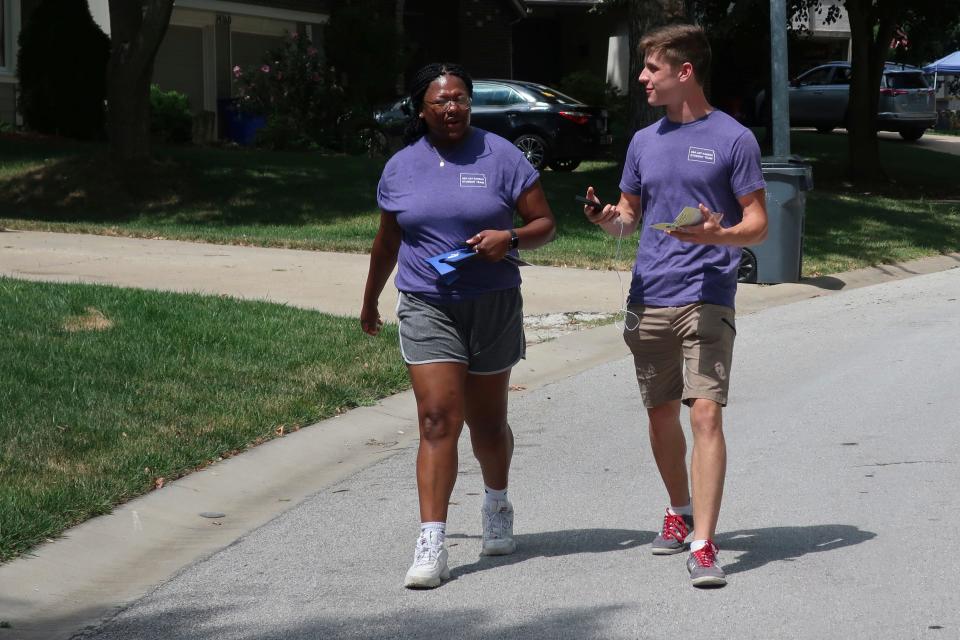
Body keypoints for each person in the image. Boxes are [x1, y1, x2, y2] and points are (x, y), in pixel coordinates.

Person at [583, 24, 768, 588]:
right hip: (649, 294)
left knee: (704, 410)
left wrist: (718, 237)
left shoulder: (734, 138)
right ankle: (679, 507)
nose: (642, 78)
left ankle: (705, 543)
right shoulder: (644, 141)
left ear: (684, 73)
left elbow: (757, 224)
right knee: (660, 412)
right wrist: (605, 218)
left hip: (707, 295)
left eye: (651, 69)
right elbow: (629, 213)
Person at [361, 63, 556, 589]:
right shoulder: (401, 167)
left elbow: (544, 225)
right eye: (440, 101)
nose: (452, 108)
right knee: (436, 420)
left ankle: (496, 504)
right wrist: (370, 301)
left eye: (461, 99)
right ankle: (432, 541)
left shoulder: (501, 156)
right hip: (427, 303)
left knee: (487, 425)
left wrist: (509, 240)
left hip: (491, 303)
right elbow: (387, 244)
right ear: (419, 110)